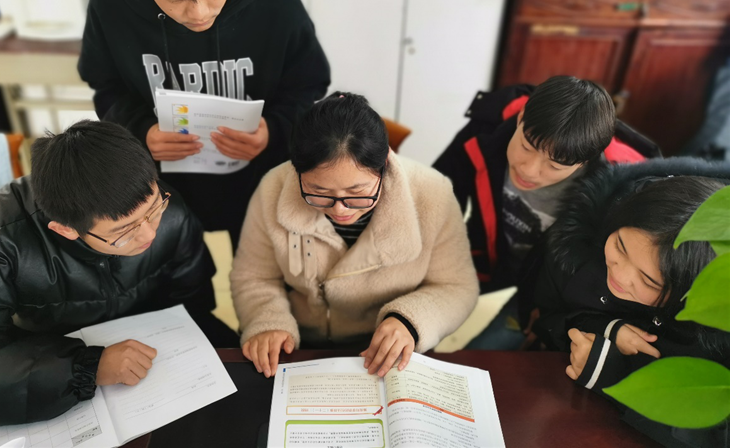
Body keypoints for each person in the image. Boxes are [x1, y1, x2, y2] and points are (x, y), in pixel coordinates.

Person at [78, 0, 331, 248]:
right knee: (180, 274)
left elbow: (307, 87)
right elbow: (106, 87)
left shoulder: (277, 5)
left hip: (258, 183)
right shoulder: (110, 5)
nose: (198, 13)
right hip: (160, 192)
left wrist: (274, 131)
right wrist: (142, 132)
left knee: (257, 271)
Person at [0, 121, 236, 426]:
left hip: (155, 360)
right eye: (123, 232)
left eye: (154, 210)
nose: (148, 234)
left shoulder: (167, 208)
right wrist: (85, 368)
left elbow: (193, 302)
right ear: (66, 229)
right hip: (54, 362)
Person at [230, 92, 479, 379]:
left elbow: (456, 286)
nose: (340, 209)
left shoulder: (433, 194)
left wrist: (410, 321)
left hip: (390, 350)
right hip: (299, 344)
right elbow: (254, 276)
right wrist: (269, 321)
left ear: (384, 165)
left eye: (357, 193)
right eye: (319, 192)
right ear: (296, 170)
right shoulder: (273, 188)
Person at [433, 76, 659, 349]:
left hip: (548, 289)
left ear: (584, 162)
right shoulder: (489, 124)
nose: (528, 170)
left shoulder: (621, 185)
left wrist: (554, 309)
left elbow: (606, 263)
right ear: (521, 118)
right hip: (487, 255)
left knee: (484, 354)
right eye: (526, 146)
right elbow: (437, 194)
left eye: (554, 166)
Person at [531, 158, 730, 446]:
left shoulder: (719, 324)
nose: (620, 276)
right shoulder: (581, 242)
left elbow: (714, 434)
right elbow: (548, 314)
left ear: (692, 294)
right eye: (620, 247)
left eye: (649, 281)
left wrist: (617, 375)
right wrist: (606, 327)